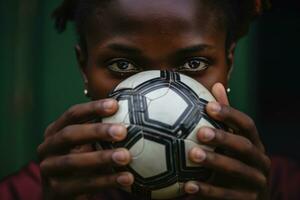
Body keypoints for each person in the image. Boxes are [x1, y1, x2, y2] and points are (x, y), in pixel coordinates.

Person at [0, 0, 299, 199]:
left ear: (229, 63)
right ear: (84, 68)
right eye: (123, 65)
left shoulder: (280, 186)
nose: (162, 97)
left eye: (194, 64)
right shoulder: (27, 191)